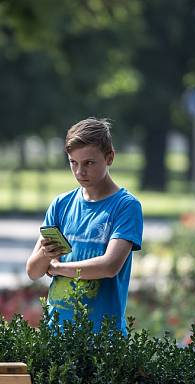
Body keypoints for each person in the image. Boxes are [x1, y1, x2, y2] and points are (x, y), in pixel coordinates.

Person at [26, 118, 143, 334]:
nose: (80, 172)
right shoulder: (61, 204)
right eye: (73, 162)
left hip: (103, 338)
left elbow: (109, 266)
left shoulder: (126, 206)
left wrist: (58, 268)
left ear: (110, 157)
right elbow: (33, 271)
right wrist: (44, 255)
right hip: (56, 335)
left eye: (89, 163)